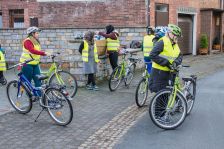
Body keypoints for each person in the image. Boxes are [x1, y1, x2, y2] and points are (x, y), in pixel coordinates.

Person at [149, 24, 183, 93]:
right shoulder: (162, 42)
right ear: (170, 34)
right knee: (160, 98)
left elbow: (180, 55)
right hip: (159, 73)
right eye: (176, 36)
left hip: (169, 73)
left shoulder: (175, 44)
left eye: (178, 37)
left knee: (166, 96)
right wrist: (166, 63)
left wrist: (176, 62)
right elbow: (152, 55)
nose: (177, 38)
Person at [20, 26, 49, 92]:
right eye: (37, 33)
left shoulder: (36, 41)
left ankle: (39, 96)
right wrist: (44, 53)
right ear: (32, 34)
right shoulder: (27, 41)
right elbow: (32, 50)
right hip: (27, 64)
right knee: (28, 81)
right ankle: (30, 97)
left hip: (35, 64)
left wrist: (46, 53)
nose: (38, 34)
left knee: (38, 80)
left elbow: (37, 51)